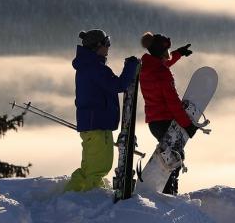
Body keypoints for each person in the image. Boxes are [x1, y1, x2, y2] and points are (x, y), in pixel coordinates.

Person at [64, 29, 139, 192]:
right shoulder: (95, 68)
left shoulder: (89, 66)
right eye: (107, 43)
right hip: (97, 124)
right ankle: (92, 198)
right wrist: (131, 66)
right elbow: (118, 85)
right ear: (97, 46)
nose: (109, 47)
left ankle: (71, 195)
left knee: (89, 167)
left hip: (93, 124)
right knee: (99, 167)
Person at [139, 31, 196, 195]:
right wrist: (187, 125)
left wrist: (178, 54)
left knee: (169, 156)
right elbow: (173, 103)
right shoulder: (162, 74)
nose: (168, 55)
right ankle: (168, 193)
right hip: (165, 122)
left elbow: (163, 65)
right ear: (160, 52)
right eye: (167, 52)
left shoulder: (148, 68)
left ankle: (167, 190)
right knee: (175, 158)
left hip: (154, 123)